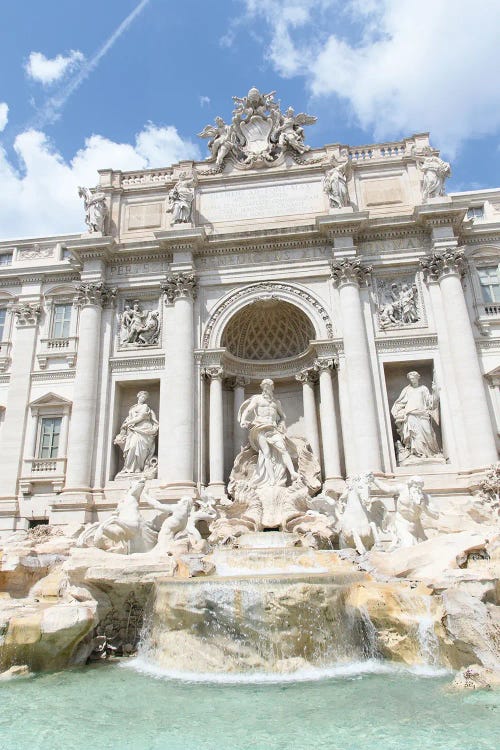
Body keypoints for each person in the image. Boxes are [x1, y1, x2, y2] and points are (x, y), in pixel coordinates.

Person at [238, 378, 299, 487]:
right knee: (266, 454)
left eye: (269, 386)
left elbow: (282, 416)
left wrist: (282, 423)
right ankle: (271, 479)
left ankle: (293, 473)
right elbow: (248, 410)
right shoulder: (257, 399)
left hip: (273, 428)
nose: (267, 388)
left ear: (272, 388)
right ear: (262, 387)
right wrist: (243, 420)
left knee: (283, 449)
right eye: (265, 386)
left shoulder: (276, 403)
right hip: (260, 427)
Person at [391, 371, 441, 463]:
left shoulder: (423, 389)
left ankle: (431, 453)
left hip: (422, 415)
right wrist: (397, 411)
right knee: (415, 436)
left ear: (418, 378)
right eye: (410, 378)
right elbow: (399, 403)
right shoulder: (407, 390)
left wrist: (435, 391)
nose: (412, 380)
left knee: (428, 432)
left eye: (413, 378)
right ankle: (418, 454)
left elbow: (431, 404)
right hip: (410, 415)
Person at [114, 391, 159, 475]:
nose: (143, 399)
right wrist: (126, 424)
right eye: (142, 397)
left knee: (140, 448)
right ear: (138, 396)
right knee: (132, 447)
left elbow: (140, 417)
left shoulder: (145, 406)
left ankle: (139, 467)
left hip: (143, 429)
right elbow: (130, 417)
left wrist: (128, 423)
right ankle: (129, 468)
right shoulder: (133, 407)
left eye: (145, 398)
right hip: (132, 430)